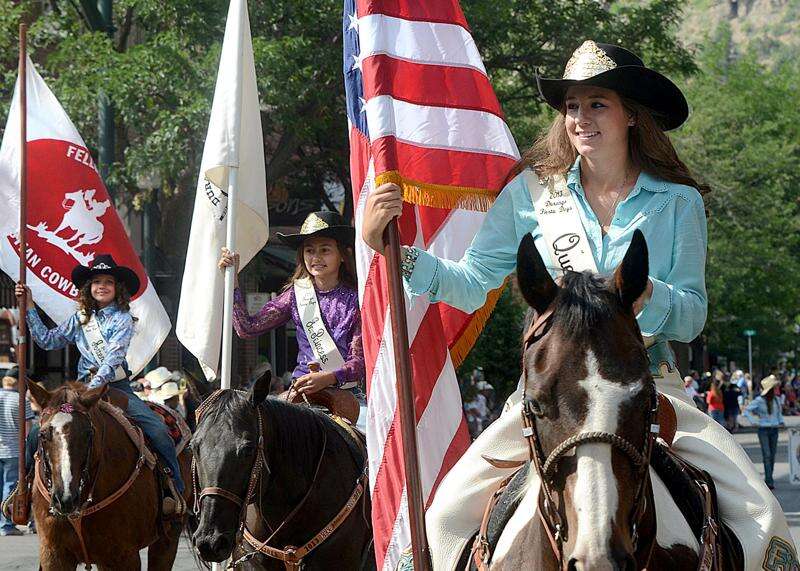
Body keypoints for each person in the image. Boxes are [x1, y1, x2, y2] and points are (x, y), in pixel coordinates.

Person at [362, 40, 796, 569]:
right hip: (549, 398)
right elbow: (474, 281)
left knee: (763, 521)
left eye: (597, 104)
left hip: (647, 390)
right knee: (440, 522)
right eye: (572, 106)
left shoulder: (678, 201)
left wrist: (643, 296)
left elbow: (693, 315)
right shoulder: (531, 193)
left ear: (632, 115)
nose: (580, 118)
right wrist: (394, 252)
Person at [15, 255, 185, 516]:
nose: (102, 286)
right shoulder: (81, 318)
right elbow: (48, 341)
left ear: (118, 288)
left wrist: (91, 392)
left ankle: (174, 491)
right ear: (89, 288)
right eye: (96, 281)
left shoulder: (123, 319)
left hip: (115, 388)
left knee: (158, 431)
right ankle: (23, 490)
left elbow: (113, 358)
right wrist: (28, 308)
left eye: (108, 281)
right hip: (80, 389)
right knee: (38, 432)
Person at [219, 211, 364, 397]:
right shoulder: (296, 295)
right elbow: (246, 328)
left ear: (343, 255)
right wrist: (233, 282)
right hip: (301, 389)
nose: (316, 258)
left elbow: (359, 360)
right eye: (309, 250)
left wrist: (329, 377)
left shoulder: (357, 299)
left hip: (346, 393)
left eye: (325, 250)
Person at [0, 368, 33, 536]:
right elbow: (28, 429)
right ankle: (6, 524)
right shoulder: (21, 400)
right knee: (10, 486)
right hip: (13, 449)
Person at [744, 375, 785, 489]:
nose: (776, 389)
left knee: (772, 456)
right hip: (763, 430)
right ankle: (769, 481)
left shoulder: (776, 400)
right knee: (767, 455)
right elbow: (746, 411)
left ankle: (769, 477)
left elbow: (779, 414)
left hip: (774, 429)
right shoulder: (759, 400)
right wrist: (754, 421)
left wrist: (781, 422)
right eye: (774, 387)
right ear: (770, 389)